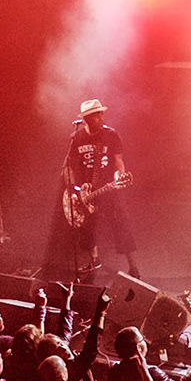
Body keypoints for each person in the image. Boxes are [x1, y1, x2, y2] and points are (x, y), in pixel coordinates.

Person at [61, 98, 141, 279]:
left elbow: (118, 162)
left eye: (99, 115)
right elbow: (70, 166)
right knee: (87, 228)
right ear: (85, 119)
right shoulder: (76, 138)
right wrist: (75, 190)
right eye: (93, 116)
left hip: (109, 189)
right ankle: (93, 260)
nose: (99, 118)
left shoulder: (111, 135)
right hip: (85, 192)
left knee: (121, 224)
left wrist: (118, 177)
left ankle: (134, 267)